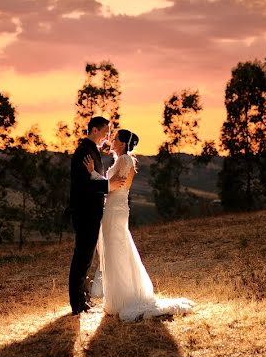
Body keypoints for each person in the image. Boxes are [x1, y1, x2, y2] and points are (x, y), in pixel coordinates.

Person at [84, 129, 194, 321]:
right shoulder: (125, 161)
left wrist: (92, 173)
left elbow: (115, 186)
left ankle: (122, 299)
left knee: (116, 250)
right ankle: (120, 297)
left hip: (114, 210)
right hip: (116, 208)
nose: (112, 140)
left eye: (115, 138)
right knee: (117, 250)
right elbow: (117, 186)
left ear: (123, 144)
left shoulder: (124, 160)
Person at [67, 116, 112, 314]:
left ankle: (83, 299)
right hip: (85, 212)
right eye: (105, 131)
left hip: (91, 212)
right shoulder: (84, 152)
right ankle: (77, 303)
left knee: (86, 257)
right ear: (94, 130)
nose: (107, 136)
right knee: (82, 257)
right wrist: (109, 186)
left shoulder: (91, 150)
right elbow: (84, 186)